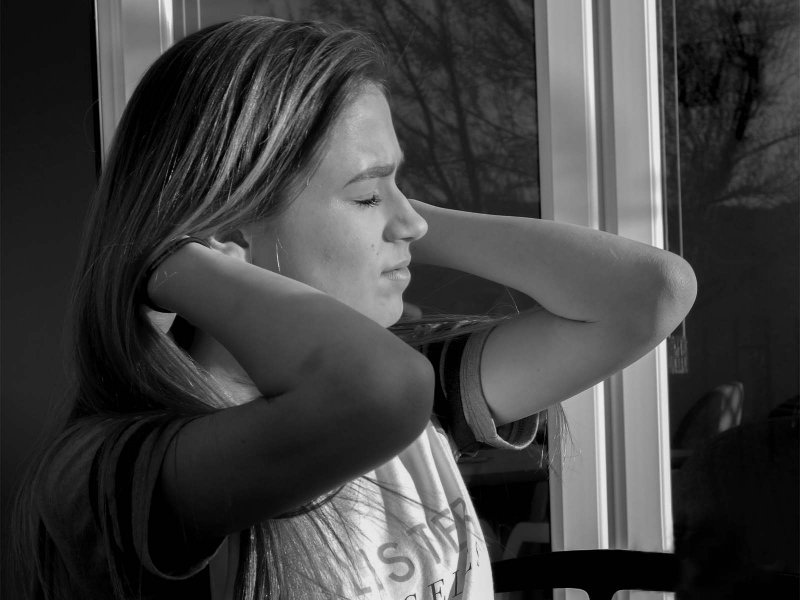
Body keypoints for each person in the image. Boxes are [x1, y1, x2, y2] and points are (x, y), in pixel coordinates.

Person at [10, 16, 696, 600]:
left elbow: (649, 295)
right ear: (224, 235)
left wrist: (384, 201)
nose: (414, 224)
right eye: (368, 196)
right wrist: (166, 255)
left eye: (401, 187)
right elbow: (377, 392)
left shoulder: (417, 398)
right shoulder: (126, 469)